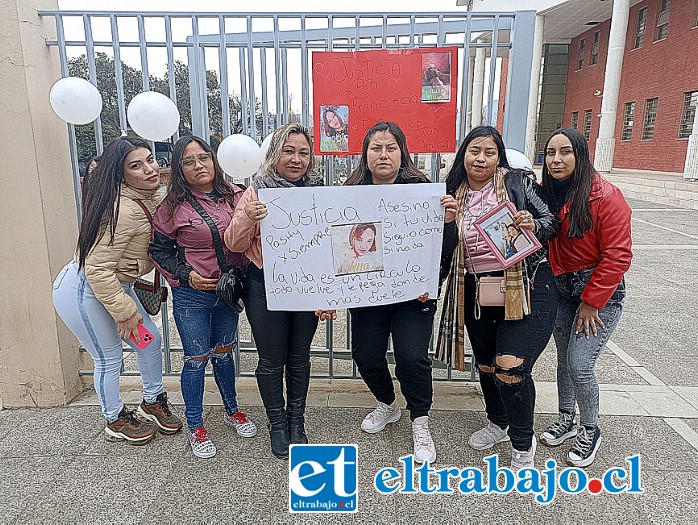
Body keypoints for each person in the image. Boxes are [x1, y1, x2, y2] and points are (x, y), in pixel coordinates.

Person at [439, 125, 559, 472]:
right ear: (464, 154)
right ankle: (498, 423)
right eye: (474, 150)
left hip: (525, 284)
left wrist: (532, 223)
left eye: (489, 152)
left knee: (510, 367)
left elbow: (550, 221)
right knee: (488, 364)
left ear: (499, 156)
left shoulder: (517, 183)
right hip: (475, 287)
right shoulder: (451, 191)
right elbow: (441, 246)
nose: (481, 158)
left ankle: (523, 442)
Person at [342, 121, 459, 464]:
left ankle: (420, 419)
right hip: (368, 296)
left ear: (402, 152)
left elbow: (443, 249)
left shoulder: (422, 189)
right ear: (365, 154)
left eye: (390, 147)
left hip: (413, 296)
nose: (383, 154)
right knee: (365, 357)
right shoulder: (349, 192)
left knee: (412, 358)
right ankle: (388, 403)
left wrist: (448, 222)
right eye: (376, 148)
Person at [53, 137, 182, 445]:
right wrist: (125, 314)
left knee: (150, 342)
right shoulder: (122, 210)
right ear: (120, 174)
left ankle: (152, 400)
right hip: (86, 289)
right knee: (109, 357)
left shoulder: (146, 197)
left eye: (150, 160)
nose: (150, 169)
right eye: (136, 166)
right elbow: (97, 268)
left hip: (117, 286)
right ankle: (114, 418)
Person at [225, 123, 331, 460]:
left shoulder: (321, 192)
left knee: (299, 357)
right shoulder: (257, 192)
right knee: (272, 360)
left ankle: (296, 421)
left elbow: (333, 247)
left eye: (303, 152)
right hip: (265, 288)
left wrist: (328, 294)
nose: (296, 159)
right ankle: (277, 423)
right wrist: (248, 219)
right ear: (275, 154)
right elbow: (234, 243)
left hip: (306, 288)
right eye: (289, 151)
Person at [149, 135, 257, 459]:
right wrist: (185, 275)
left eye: (204, 157)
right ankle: (195, 424)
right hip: (192, 295)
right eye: (188, 161)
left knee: (224, 354)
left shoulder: (236, 195)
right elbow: (158, 250)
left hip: (229, 292)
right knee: (196, 360)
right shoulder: (171, 208)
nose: (199, 165)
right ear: (179, 169)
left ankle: (231, 410)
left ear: (215, 160)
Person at [539, 128, 632, 467]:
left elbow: (618, 256)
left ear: (580, 155)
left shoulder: (606, 196)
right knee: (564, 360)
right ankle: (566, 417)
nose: (556, 159)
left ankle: (590, 428)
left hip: (599, 295)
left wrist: (592, 301)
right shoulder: (549, 194)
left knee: (580, 364)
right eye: (550, 152)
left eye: (565, 152)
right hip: (563, 291)